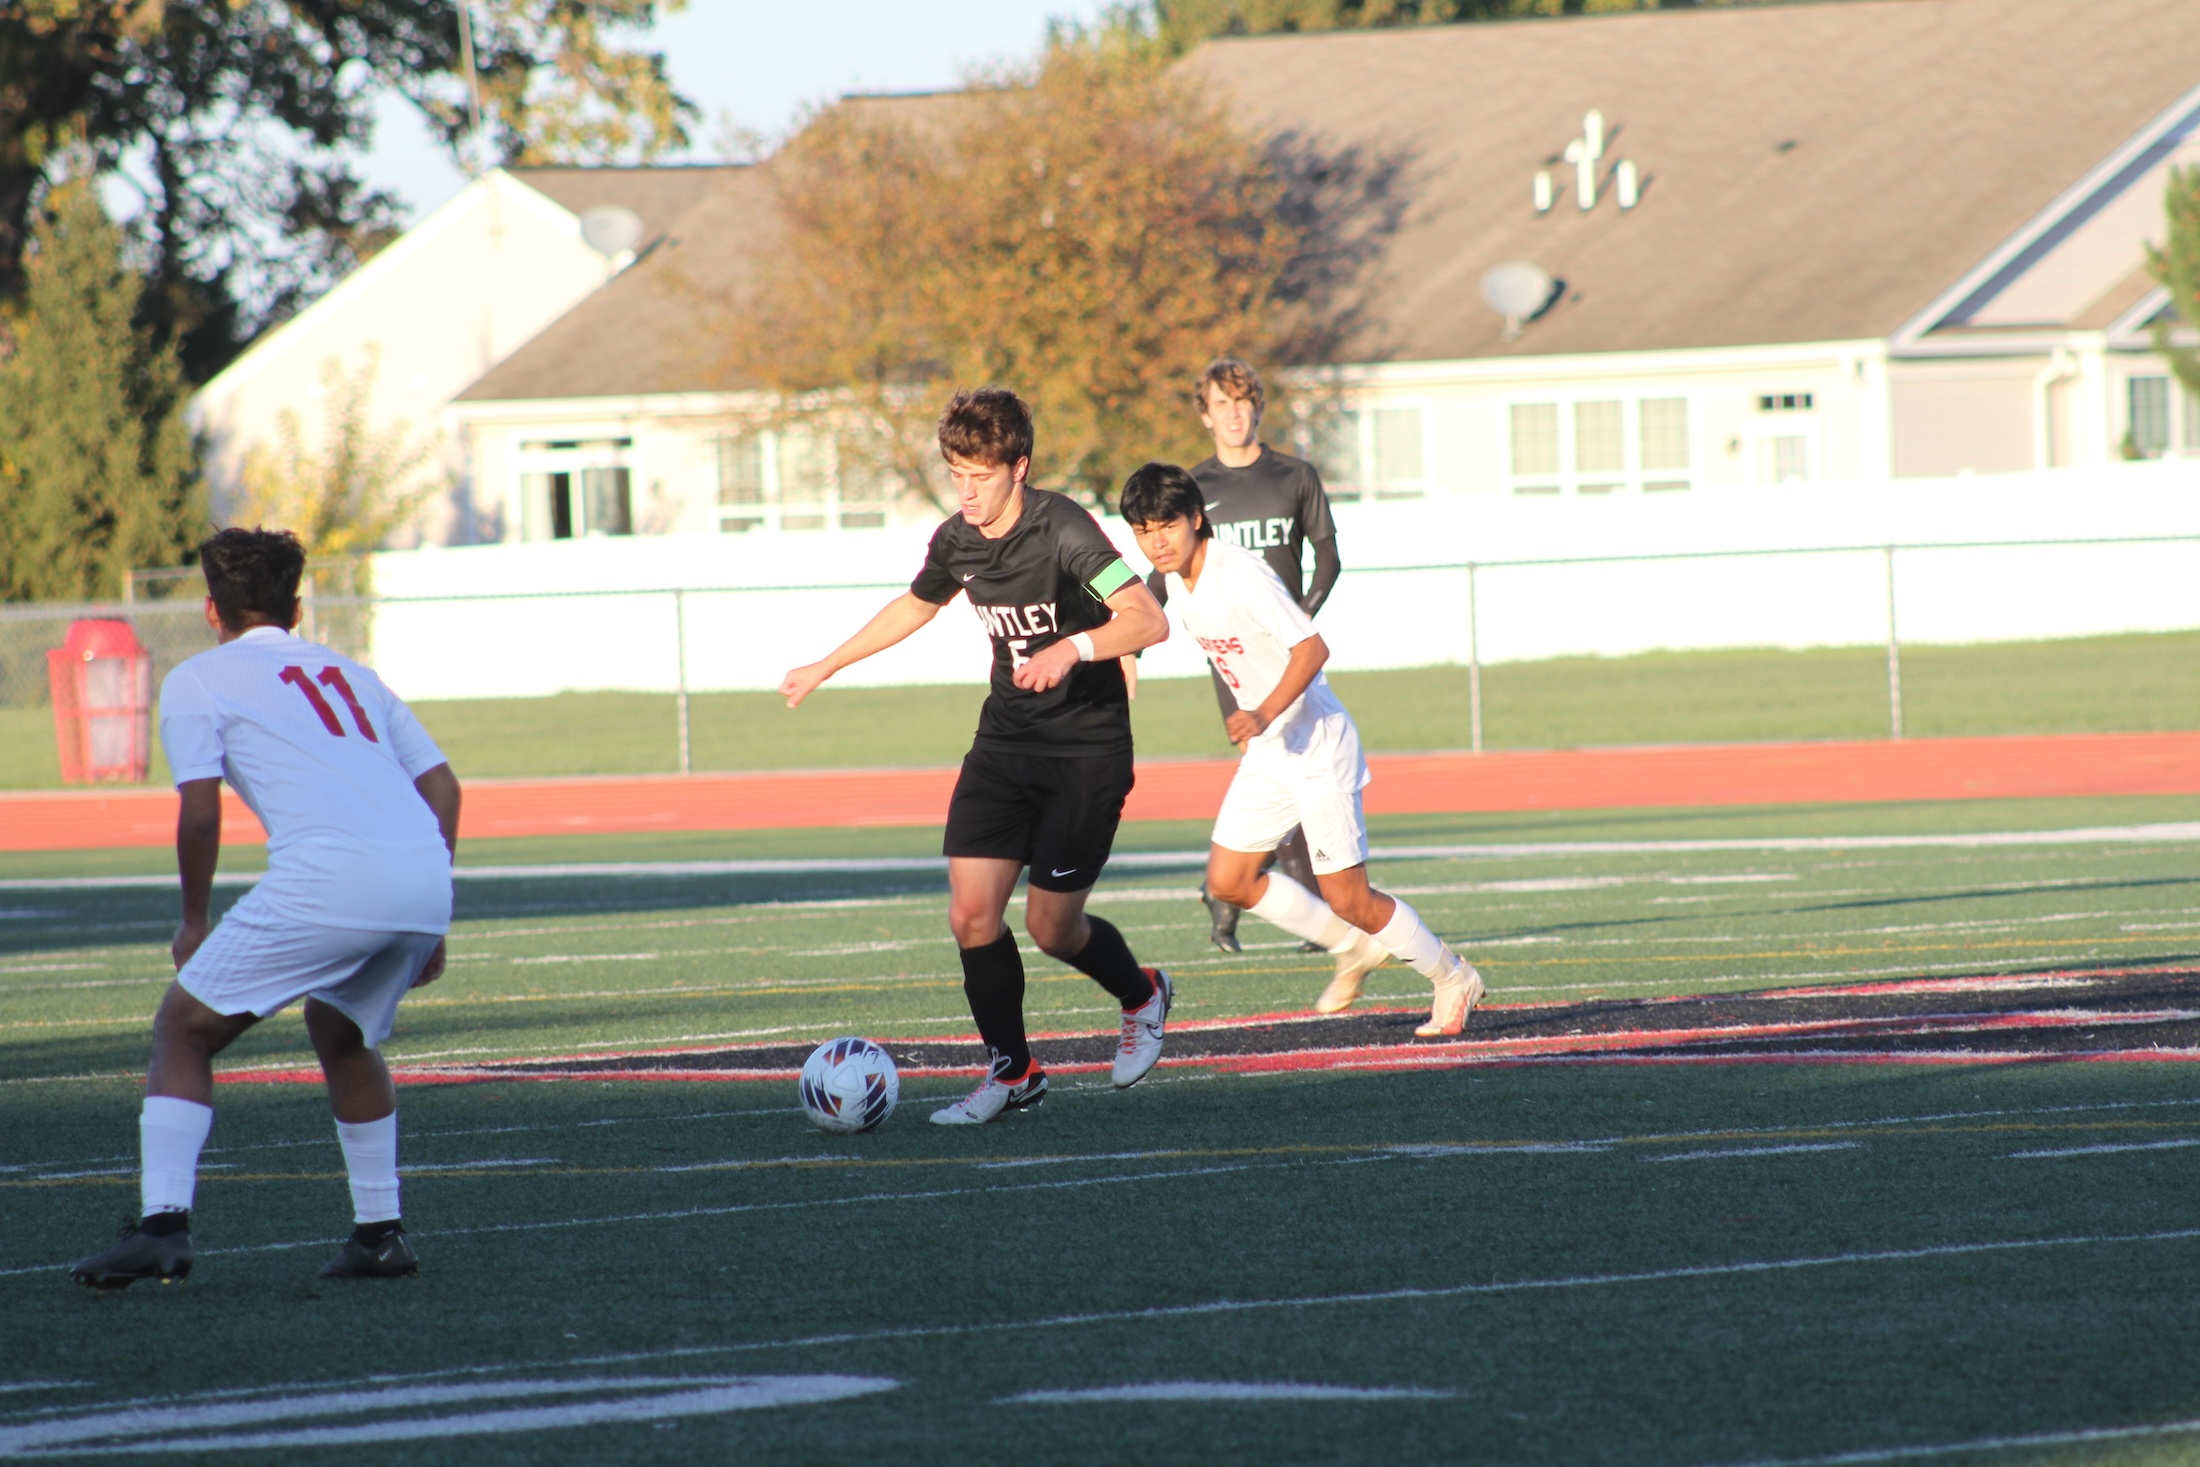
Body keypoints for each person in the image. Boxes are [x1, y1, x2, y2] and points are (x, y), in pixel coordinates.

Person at [70, 529, 461, 1289]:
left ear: (211, 609)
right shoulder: (354, 673)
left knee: (183, 1027)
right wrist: (433, 909)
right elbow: (444, 787)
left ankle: (161, 1226)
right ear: (299, 603)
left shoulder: (200, 678)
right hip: (421, 874)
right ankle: (380, 1234)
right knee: (339, 1027)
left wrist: (192, 918)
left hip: (332, 879)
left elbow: (201, 811)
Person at [780, 388, 1174, 1124]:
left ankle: (1143, 993)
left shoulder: (1066, 529)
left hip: (1084, 751)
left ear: (1019, 467)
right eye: (956, 471)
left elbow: (1148, 620)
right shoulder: (956, 537)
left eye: (981, 474)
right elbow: (916, 604)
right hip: (1004, 744)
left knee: (1053, 928)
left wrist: (1073, 647)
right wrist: (825, 664)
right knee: (971, 915)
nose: (966, 489)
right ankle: (1014, 1070)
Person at [1121, 463, 1484, 1037]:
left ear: (1195, 519)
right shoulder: (1171, 579)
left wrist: (1263, 711)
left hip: (1316, 745)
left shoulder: (1239, 573)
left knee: (1351, 898)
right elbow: (1128, 603)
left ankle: (1453, 976)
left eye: (1164, 525)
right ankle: (1352, 950)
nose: (1155, 540)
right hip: (1270, 753)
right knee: (1229, 880)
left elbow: (1313, 649)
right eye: (1142, 530)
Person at [1167, 357, 1341, 953]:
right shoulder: (1193, 490)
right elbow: (1157, 574)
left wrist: (1300, 622)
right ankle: (1247, 895)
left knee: (1293, 773)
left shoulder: (1294, 474)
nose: (1234, 413)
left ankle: (1232, 896)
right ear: (1205, 414)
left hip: (1289, 658)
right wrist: (1108, 628)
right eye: (1221, 403)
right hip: (1235, 665)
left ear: (1258, 406)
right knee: (1273, 772)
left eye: (1243, 401)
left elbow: (1328, 557)